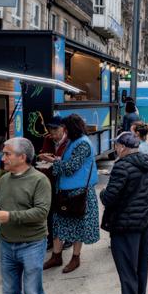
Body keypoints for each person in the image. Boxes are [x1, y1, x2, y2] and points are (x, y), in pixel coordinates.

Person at [0, 138, 51, 294]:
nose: (2, 158)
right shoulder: (4, 180)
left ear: (22, 157)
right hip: (6, 244)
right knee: (10, 292)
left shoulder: (40, 180)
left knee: (32, 293)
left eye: (7, 154)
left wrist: (9, 216)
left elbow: (41, 212)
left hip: (32, 245)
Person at [100, 132, 148, 294]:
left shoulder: (122, 166)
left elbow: (109, 198)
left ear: (123, 147)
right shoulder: (147, 164)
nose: (115, 148)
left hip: (125, 226)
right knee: (141, 269)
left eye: (116, 145)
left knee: (127, 272)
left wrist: (103, 192)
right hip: (143, 223)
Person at [44, 114, 100, 273]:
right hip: (66, 191)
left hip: (79, 192)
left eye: (66, 128)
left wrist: (52, 161)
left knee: (78, 226)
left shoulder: (82, 143)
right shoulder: (73, 141)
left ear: (72, 128)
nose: (64, 131)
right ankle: (56, 256)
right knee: (58, 224)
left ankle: (75, 258)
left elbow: (70, 167)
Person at [38, 116, 69, 250]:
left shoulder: (70, 141)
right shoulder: (48, 138)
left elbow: (68, 162)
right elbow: (44, 154)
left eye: (56, 131)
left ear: (63, 128)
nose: (54, 135)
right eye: (51, 131)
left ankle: (68, 238)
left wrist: (53, 159)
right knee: (50, 210)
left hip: (65, 180)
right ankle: (51, 238)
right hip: (50, 178)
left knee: (66, 209)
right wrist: (43, 157)